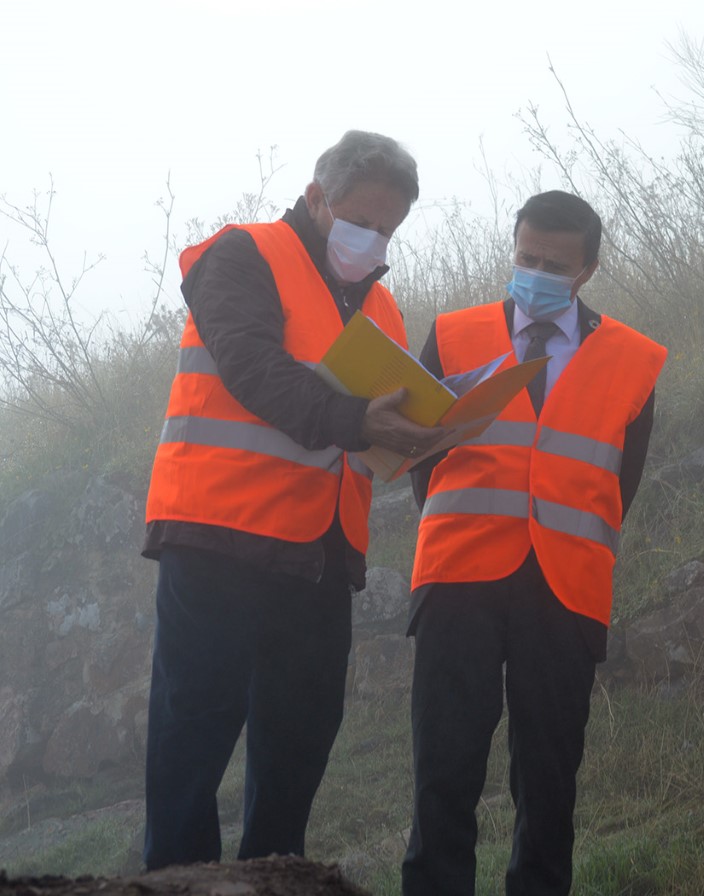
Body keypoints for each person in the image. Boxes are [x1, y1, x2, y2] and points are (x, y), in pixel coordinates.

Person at [141, 130, 438, 869]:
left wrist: (425, 434)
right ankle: (180, 884)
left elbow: (376, 429)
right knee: (193, 735)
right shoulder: (242, 254)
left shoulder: (385, 310)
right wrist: (354, 420)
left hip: (322, 555)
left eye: (389, 229)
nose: (373, 239)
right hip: (217, 538)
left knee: (302, 736)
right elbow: (252, 367)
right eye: (362, 218)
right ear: (315, 198)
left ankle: (273, 879)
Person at [401, 190, 667, 896]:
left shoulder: (634, 359)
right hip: (458, 577)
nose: (538, 271)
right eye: (526, 258)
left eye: (556, 263)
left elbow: (621, 482)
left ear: (588, 270)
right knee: (443, 767)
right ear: (512, 250)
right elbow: (421, 456)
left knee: (548, 778)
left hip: (566, 587)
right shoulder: (452, 334)